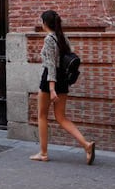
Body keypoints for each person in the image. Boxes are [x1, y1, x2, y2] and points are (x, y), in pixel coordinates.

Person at [29, 10, 95, 165]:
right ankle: (86, 145)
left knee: (42, 116)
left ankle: (43, 153)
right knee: (61, 117)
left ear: (45, 23)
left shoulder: (49, 39)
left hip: (50, 80)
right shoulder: (63, 37)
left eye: (41, 21)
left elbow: (51, 65)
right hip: (63, 80)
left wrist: (51, 88)